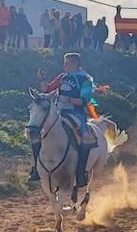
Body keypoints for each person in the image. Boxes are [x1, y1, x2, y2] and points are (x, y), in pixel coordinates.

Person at [40, 51, 102, 191]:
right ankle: (37, 167)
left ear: (75, 64)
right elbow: (47, 89)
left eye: (67, 63)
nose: (65, 65)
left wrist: (70, 100)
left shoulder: (85, 79)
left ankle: (80, 173)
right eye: (64, 63)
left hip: (75, 113)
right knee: (40, 130)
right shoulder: (62, 77)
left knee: (85, 138)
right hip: (58, 112)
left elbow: (86, 100)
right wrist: (42, 79)